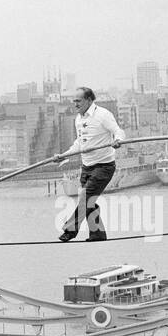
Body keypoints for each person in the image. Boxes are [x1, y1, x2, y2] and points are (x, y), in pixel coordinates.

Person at [58, 88, 123, 242]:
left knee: (85, 198)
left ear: (88, 100)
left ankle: (70, 230)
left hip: (104, 166)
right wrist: (63, 156)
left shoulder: (102, 115)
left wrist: (118, 140)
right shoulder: (78, 119)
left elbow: (118, 131)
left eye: (78, 101)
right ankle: (98, 234)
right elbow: (79, 144)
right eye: (74, 101)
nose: (75, 104)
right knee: (88, 201)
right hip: (87, 167)